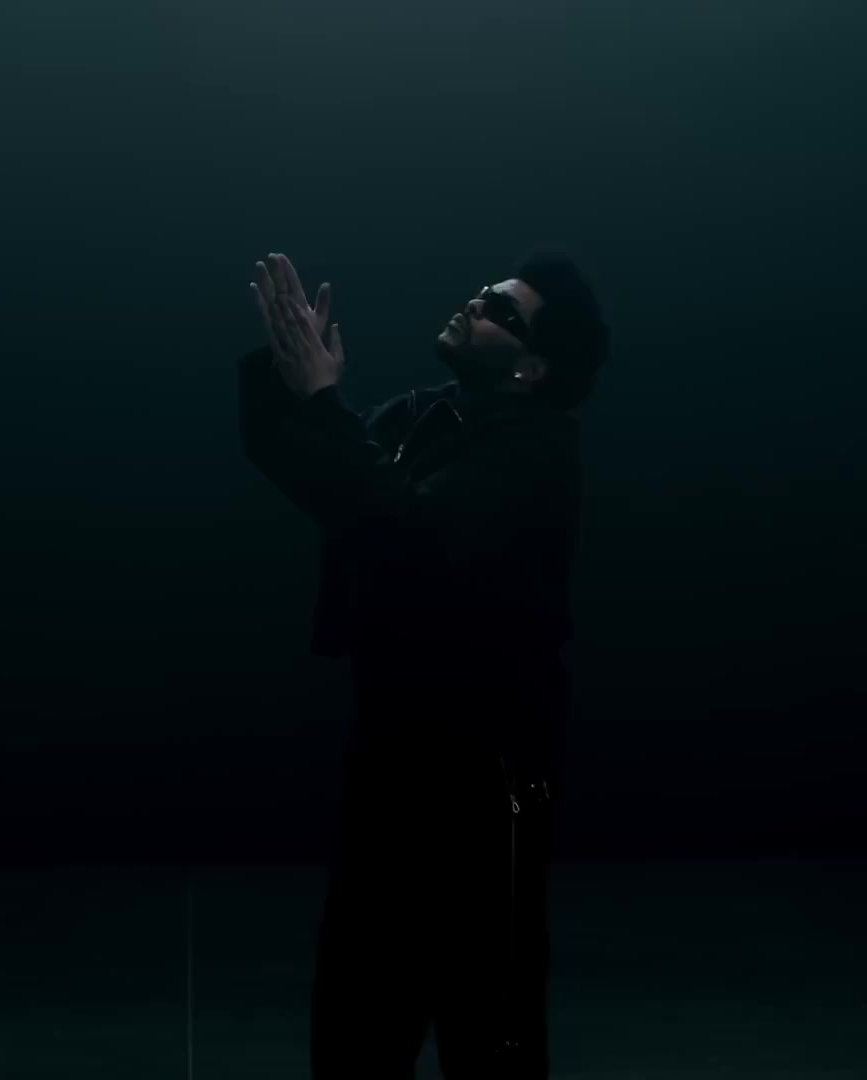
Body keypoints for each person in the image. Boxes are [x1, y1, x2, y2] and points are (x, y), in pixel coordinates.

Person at [240, 250, 609, 1078]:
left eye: (501, 313)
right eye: (483, 293)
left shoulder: (538, 449)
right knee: (361, 1002)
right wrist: (289, 369)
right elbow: (326, 476)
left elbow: (406, 535)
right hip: (395, 748)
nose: (474, 304)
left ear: (532, 367)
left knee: (489, 1007)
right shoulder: (423, 415)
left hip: (489, 766)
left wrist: (323, 401)